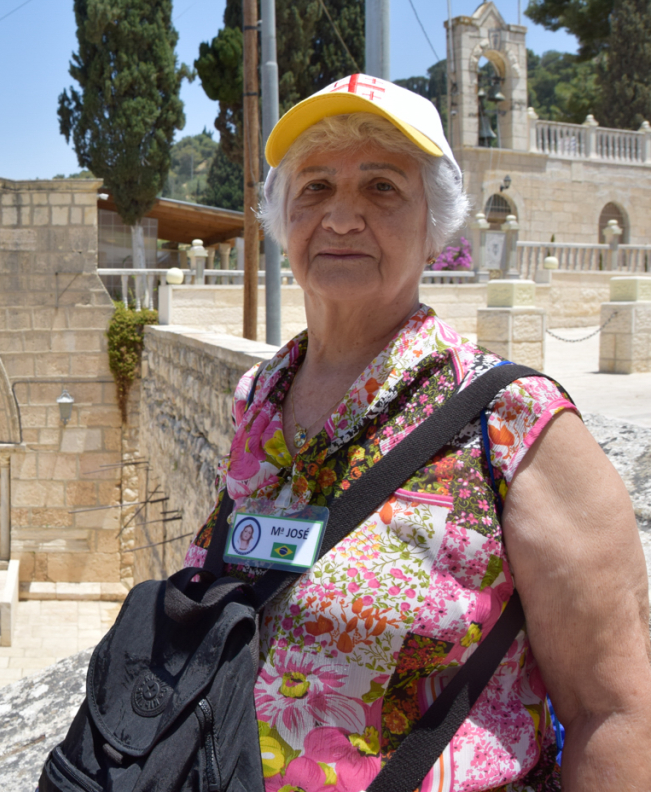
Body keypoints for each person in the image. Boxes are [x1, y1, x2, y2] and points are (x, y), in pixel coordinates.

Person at [183, 75, 651, 790]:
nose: (342, 217)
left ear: (435, 223)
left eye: (382, 188)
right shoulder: (259, 398)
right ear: (283, 217)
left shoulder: (513, 421)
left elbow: (612, 709)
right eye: (315, 187)